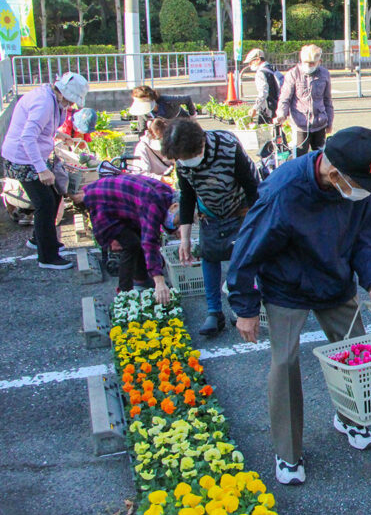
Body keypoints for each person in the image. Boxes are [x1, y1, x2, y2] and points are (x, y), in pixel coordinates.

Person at [227, 126, 371, 485]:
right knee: (285, 362)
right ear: (334, 174)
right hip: (287, 287)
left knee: (357, 354)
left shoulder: (358, 182)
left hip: (335, 282)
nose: (368, 193)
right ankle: (288, 453)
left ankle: (352, 418)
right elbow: (247, 248)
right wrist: (244, 306)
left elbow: (368, 236)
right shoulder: (284, 190)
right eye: (365, 187)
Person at [162, 118, 259, 336]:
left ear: (201, 145)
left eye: (187, 158)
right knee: (209, 255)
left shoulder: (228, 147)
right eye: (180, 159)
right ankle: (214, 311)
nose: (184, 162)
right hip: (210, 212)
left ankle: (242, 308)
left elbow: (252, 187)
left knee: (242, 259)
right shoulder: (182, 158)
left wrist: (255, 224)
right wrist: (185, 239)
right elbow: (187, 197)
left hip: (239, 208)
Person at [1, 72, 88, 269]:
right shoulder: (44, 102)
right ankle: (47, 257)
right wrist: (42, 170)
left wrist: (60, 135)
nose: (72, 105)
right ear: (65, 94)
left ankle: (38, 240)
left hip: (33, 157)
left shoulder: (50, 97)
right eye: (72, 100)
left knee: (54, 194)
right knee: (45, 203)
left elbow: (41, 128)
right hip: (22, 159)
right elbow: (27, 137)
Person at [80, 174, 178, 303]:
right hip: (103, 200)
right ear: (175, 206)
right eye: (179, 221)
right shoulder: (154, 202)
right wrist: (159, 279)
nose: (178, 224)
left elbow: (162, 223)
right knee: (131, 245)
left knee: (137, 236)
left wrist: (175, 229)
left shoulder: (169, 196)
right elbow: (149, 242)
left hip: (124, 202)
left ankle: (141, 279)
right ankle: (124, 293)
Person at [275, 44, 333, 157]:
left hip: (320, 123)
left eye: (313, 63)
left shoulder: (325, 74)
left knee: (322, 158)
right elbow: (285, 98)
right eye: (307, 63)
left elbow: (328, 100)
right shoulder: (293, 74)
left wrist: (329, 122)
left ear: (319, 61)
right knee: (300, 158)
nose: (310, 65)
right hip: (300, 124)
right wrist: (281, 114)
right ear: (301, 60)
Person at [129, 85, 197, 133]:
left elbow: (187, 99)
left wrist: (192, 115)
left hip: (180, 122)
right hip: (162, 131)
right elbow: (142, 129)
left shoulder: (168, 100)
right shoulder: (142, 112)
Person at [243, 48, 283, 125]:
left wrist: (255, 107)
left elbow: (263, 92)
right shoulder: (272, 68)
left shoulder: (260, 73)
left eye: (251, 62)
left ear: (257, 60)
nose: (249, 65)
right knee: (278, 129)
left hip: (267, 107)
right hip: (278, 104)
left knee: (265, 130)